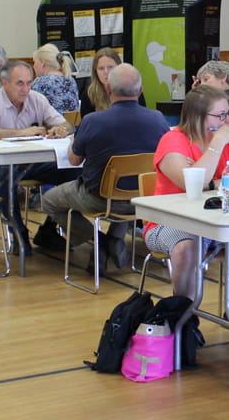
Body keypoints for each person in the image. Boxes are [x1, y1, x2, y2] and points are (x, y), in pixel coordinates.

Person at [144, 84, 229, 338]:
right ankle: (184, 315)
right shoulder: (173, 140)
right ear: (198, 116)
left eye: (228, 113)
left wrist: (214, 183)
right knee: (187, 248)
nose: (228, 121)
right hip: (168, 223)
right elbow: (190, 183)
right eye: (221, 115)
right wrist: (216, 145)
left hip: (221, 221)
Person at [37, 64, 169, 273]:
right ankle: (115, 239)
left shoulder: (92, 121)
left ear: (108, 91)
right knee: (128, 187)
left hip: (99, 198)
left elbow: (73, 160)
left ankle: (99, 241)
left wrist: (75, 140)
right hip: (144, 200)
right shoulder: (158, 119)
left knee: (49, 201)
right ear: (141, 90)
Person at [0, 60, 76, 254]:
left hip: (31, 163)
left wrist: (59, 129)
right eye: (20, 83)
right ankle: (18, 230)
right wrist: (21, 132)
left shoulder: (37, 99)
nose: (26, 89)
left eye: (29, 83)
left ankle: (49, 228)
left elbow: (67, 125)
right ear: (5, 83)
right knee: (3, 177)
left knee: (74, 171)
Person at [31, 43, 80, 113]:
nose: (34, 66)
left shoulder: (40, 82)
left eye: (35, 62)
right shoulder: (70, 80)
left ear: (42, 64)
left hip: (51, 123)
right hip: (71, 123)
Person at [80, 47, 122, 116]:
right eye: (101, 68)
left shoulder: (131, 90)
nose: (106, 72)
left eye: (110, 67)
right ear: (95, 71)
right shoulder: (89, 94)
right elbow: (87, 124)